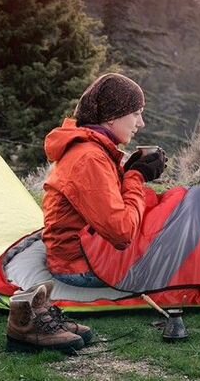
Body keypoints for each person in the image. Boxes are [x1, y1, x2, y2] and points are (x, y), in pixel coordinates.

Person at [41, 73, 167, 288]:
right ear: (112, 115)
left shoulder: (93, 150)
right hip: (81, 267)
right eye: (136, 113)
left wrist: (127, 171)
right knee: (177, 245)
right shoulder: (89, 157)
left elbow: (106, 207)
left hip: (87, 255)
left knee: (171, 213)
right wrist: (136, 176)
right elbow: (122, 232)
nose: (141, 123)